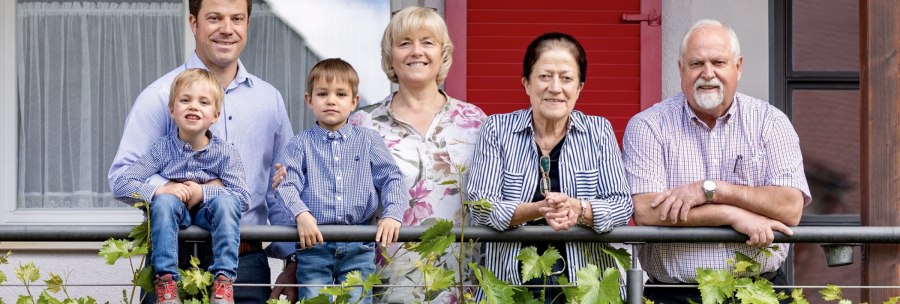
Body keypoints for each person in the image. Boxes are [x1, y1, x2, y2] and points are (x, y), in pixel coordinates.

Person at [107, 0, 296, 302]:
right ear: (193, 23)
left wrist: (292, 261)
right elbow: (122, 178)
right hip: (173, 262)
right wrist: (174, 190)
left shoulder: (269, 100)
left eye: (237, 18)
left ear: (247, 24)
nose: (227, 29)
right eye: (214, 18)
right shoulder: (160, 96)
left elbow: (283, 189)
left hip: (245, 266)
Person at [622, 19, 811, 303]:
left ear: (738, 67)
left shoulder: (770, 123)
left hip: (759, 290)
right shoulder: (648, 125)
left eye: (718, 62)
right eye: (696, 63)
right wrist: (732, 215)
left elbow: (790, 207)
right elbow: (646, 211)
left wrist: (712, 190)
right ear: (681, 69)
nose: (707, 73)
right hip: (675, 295)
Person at [467, 32, 633, 304]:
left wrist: (578, 209)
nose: (555, 88)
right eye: (545, 76)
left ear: (579, 87)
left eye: (566, 78)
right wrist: (537, 210)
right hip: (509, 287)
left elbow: (622, 205)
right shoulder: (497, 130)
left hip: (584, 289)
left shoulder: (599, 132)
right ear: (526, 84)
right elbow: (479, 205)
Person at [347, 6, 487, 303]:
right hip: (388, 287)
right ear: (390, 55)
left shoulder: (475, 121)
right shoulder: (362, 124)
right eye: (404, 43)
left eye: (427, 42)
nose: (416, 51)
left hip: (463, 286)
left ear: (442, 53)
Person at [274, 58, 407, 303]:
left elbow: (392, 178)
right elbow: (287, 185)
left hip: (359, 245)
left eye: (341, 94)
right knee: (315, 299)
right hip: (314, 245)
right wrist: (301, 214)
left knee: (356, 299)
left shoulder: (368, 140)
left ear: (354, 102)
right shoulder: (300, 144)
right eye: (322, 93)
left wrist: (392, 213)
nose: (331, 100)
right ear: (309, 100)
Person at [112, 68, 250, 304]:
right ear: (172, 111)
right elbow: (122, 183)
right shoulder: (161, 150)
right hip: (176, 216)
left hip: (210, 217)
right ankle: (166, 281)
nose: (193, 106)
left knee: (227, 201)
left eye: (203, 102)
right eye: (185, 100)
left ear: (215, 115)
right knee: (164, 201)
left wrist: (202, 192)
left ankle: (224, 280)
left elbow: (243, 197)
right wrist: (160, 190)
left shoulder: (226, 153)